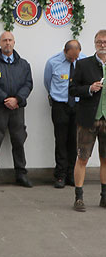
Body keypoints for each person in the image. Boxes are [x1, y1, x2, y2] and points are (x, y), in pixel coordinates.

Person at [0, 31, 33, 188]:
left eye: (10, 40)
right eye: (4, 40)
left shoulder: (24, 64)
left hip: (17, 109)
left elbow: (28, 84)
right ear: (0, 43)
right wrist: (6, 99)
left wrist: (17, 99)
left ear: (14, 42)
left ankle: (21, 174)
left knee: (18, 140)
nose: (7, 43)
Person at [68, 29, 106, 212]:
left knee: (105, 159)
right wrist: (89, 89)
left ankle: (104, 197)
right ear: (94, 43)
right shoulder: (83, 64)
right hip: (88, 119)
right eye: (99, 42)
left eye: (105, 42)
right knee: (82, 158)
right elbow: (72, 89)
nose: (102, 45)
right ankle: (79, 197)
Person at [44, 40, 84, 188]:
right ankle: (60, 175)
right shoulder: (53, 62)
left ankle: (71, 175)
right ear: (65, 51)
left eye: (76, 57)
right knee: (60, 141)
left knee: (74, 141)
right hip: (60, 105)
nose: (73, 60)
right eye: (70, 57)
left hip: (78, 105)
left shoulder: (84, 61)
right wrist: (55, 96)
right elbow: (47, 83)